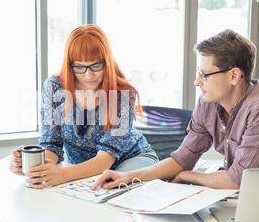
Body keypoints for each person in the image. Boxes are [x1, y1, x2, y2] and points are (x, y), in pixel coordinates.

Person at [93, 29, 259, 190]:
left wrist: (188, 176)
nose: (196, 82)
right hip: (245, 195)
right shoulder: (208, 101)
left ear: (234, 76)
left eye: (204, 75)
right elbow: (183, 158)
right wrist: (130, 176)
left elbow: (238, 179)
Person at [10, 24, 158, 188]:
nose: (88, 75)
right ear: (70, 65)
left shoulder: (122, 93)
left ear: (106, 62)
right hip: (83, 171)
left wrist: (62, 175)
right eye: (80, 67)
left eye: (96, 66)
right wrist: (32, 165)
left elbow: (104, 160)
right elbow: (52, 145)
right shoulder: (54, 87)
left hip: (132, 160)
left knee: (110, 189)